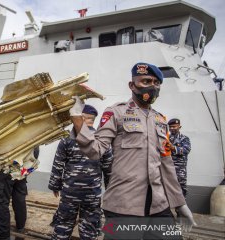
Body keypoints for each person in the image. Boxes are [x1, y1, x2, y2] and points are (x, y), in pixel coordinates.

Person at [69, 62, 196, 238]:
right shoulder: (115, 113)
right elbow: (95, 150)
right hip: (123, 207)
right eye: (146, 81)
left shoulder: (161, 121)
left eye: (156, 83)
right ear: (132, 85)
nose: (152, 86)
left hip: (159, 207)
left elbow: (167, 166)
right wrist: (76, 117)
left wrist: (180, 204)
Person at [49, 104, 112, 240]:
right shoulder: (102, 140)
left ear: (81, 118)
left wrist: (55, 185)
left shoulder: (67, 139)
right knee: (89, 228)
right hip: (92, 193)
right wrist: (109, 189)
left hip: (70, 192)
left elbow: (58, 164)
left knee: (63, 224)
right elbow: (108, 168)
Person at [168, 118, 191, 198]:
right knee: (168, 187)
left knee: (181, 188)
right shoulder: (166, 138)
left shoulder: (184, 138)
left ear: (179, 127)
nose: (172, 128)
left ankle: (181, 209)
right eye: (170, 127)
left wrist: (173, 148)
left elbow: (186, 150)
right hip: (168, 167)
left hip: (180, 169)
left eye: (174, 126)